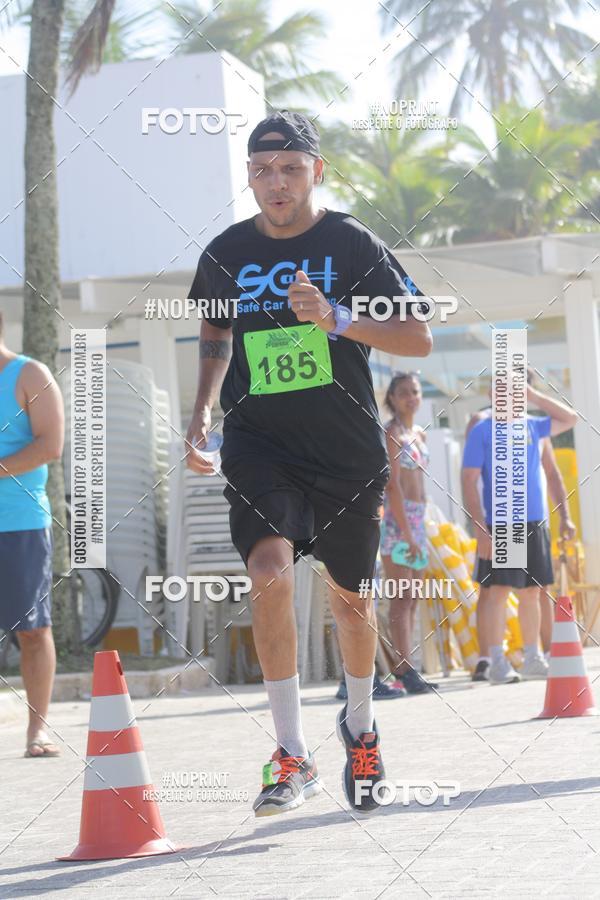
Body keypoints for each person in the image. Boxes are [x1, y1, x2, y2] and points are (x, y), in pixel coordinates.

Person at [186, 110, 432, 816]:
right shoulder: (227, 252)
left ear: (316, 171)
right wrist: (203, 409)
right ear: (250, 178)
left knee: (351, 603)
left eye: (291, 168)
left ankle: (360, 723)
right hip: (261, 444)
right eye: (263, 171)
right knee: (267, 573)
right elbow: (213, 325)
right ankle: (291, 752)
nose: (277, 182)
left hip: (347, 450)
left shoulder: (349, 243)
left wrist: (337, 320)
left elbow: (418, 337)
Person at [462, 378, 577, 685]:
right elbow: (468, 480)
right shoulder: (482, 430)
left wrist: (533, 394)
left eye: (515, 392)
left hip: (534, 520)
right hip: (502, 523)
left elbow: (570, 418)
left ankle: (532, 657)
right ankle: (497, 661)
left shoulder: (533, 426)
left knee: (532, 591)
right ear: (490, 395)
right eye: (502, 391)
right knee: (499, 591)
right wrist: (480, 528)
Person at [0, 312, 64, 756]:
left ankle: (36, 730)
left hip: (19, 523)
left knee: (32, 630)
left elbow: (49, 444)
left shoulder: (29, 374)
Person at [379, 371, 438, 693]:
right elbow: (393, 485)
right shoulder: (392, 434)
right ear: (392, 397)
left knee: (413, 598)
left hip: (417, 519)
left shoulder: (419, 434)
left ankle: (409, 665)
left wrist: (422, 525)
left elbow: (421, 486)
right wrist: (408, 533)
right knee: (401, 598)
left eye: (414, 391)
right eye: (403, 392)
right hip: (398, 522)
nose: (410, 397)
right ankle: (403, 668)